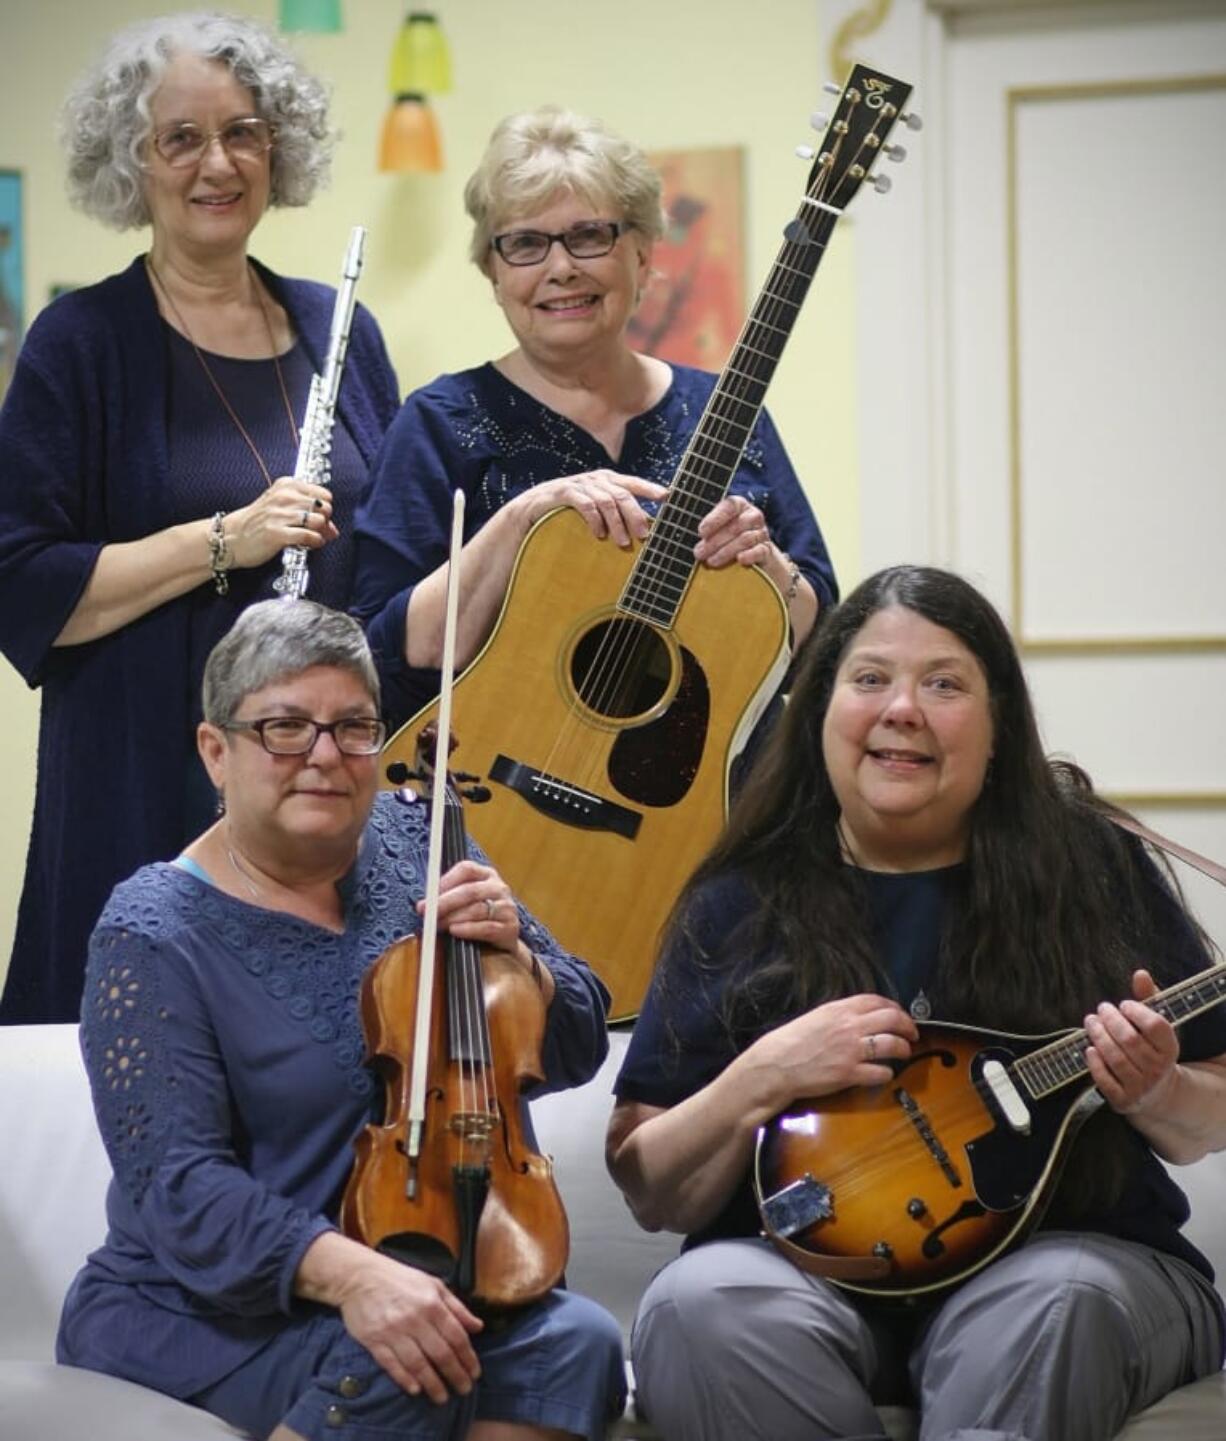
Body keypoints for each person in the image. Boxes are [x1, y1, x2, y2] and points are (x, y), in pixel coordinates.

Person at [606, 565, 1226, 1441]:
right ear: (819, 708)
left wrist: (1161, 1091)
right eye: (869, 679)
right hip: (798, 1276)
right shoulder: (741, 897)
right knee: (698, 1307)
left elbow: (1212, 1111)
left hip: (1075, 1260)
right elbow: (650, 1185)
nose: (903, 708)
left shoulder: (1093, 867)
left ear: (1000, 723)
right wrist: (765, 1074)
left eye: (944, 683)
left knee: (1052, 1305)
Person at [58, 600, 624, 1441]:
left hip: (418, 1272)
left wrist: (523, 958)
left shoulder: (424, 841)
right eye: (285, 726)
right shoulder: (151, 930)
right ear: (217, 751)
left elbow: (576, 1046)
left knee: (579, 1341)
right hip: (204, 1306)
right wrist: (358, 1279)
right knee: (407, 1362)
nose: (324, 755)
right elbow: (181, 1189)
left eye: (353, 726)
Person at [0, 12, 400, 1024]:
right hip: (142, 781)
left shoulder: (336, 329)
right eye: (180, 137)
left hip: (317, 796)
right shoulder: (79, 341)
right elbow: (25, 585)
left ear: (278, 149)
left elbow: (391, 568)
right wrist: (231, 539)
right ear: (133, 164)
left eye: (243, 133)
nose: (216, 164)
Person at [351, 105, 837, 731]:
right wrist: (522, 518)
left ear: (641, 256)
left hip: (715, 797)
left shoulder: (725, 411)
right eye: (525, 243)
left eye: (588, 236)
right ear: (493, 273)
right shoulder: (440, 422)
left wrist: (766, 563)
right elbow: (381, 654)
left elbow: (824, 650)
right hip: (501, 797)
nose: (561, 268)